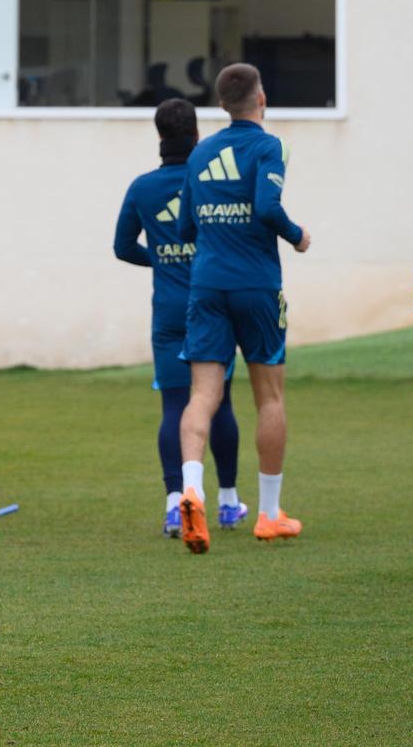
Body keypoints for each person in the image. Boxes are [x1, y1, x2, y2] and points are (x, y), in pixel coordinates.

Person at [177, 63, 311, 554]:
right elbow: (267, 206)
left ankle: (191, 490)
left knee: (202, 396)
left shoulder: (200, 152)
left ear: (220, 105)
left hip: (207, 284)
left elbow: (186, 228)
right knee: (270, 398)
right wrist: (297, 237)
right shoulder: (268, 146)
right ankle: (270, 514)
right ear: (262, 98)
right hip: (256, 284)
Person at [113, 98, 245, 538]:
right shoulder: (206, 181)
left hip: (168, 310)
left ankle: (175, 505)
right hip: (210, 306)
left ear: (160, 138)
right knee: (219, 401)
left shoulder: (142, 187)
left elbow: (122, 247)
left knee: (174, 405)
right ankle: (227, 502)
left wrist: (163, 260)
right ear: (195, 137)